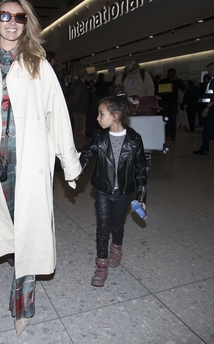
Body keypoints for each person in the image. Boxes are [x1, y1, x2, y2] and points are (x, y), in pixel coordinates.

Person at [0, 0, 81, 336]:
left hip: (29, 163)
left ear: (27, 23)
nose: (12, 22)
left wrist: (69, 163)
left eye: (20, 17)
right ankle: (20, 268)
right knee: (9, 229)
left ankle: (22, 303)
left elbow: (57, 115)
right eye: (5, 15)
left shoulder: (38, 64)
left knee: (28, 230)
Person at [78, 88, 147, 287]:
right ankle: (101, 266)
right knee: (102, 227)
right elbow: (88, 154)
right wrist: (78, 169)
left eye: (101, 114)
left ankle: (116, 249)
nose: (98, 118)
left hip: (124, 192)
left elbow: (141, 171)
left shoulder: (134, 140)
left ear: (115, 116)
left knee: (117, 225)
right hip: (102, 190)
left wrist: (141, 197)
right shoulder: (99, 137)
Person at [193, 62, 214, 155]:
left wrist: (207, 107)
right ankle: (204, 148)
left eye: (211, 69)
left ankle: (204, 148)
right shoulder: (212, 80)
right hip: (211, 107)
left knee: (210, 128)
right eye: (208, 70)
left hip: (213, 108)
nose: (209, 72)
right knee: (206, 130)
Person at [158, 68, 186, 141]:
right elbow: (159, 92)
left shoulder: (177, 82)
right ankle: (166, 133)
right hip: (165, 102)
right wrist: (164, 93)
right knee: (165, 119)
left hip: (173, 102)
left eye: (172, 73)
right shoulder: (163, 81)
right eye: (170, 73)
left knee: (173, 119)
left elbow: (183, 88)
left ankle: (173, 135)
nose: (171, 75)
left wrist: (177, 80)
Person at [69, 68, 90, 149]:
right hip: (80, 109)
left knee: (79, 128)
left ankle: (80, 143)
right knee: (80, 128)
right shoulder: (81, 85)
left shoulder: (77, 84)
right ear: (85, 75)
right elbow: (75, 98)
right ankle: (79, 144)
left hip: (77, 108)